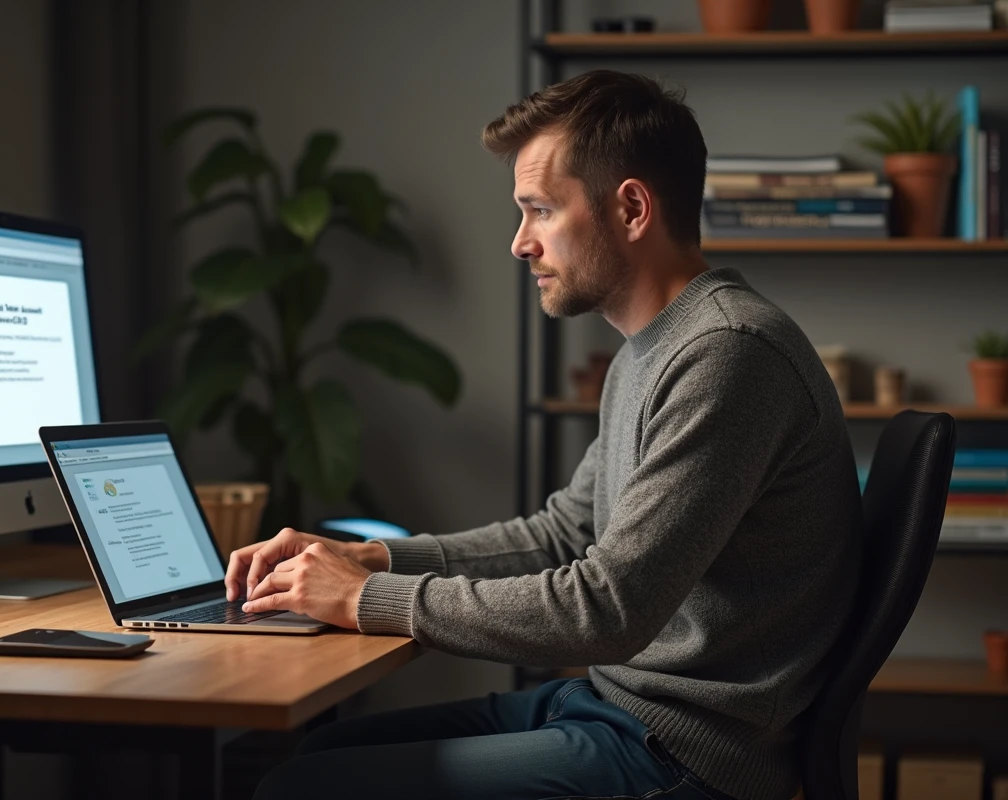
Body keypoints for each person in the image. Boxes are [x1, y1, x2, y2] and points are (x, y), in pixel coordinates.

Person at [231, 69, 862, 800]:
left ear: (630, 209)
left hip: (682, 753)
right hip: (616, 709)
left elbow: (608, 609)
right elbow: (564, 535)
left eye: (539, 210)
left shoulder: (728, 354)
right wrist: (365, 558)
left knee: (302, 790)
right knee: (323, 750)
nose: (520, 244)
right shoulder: (652, 349)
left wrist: (364, 599)